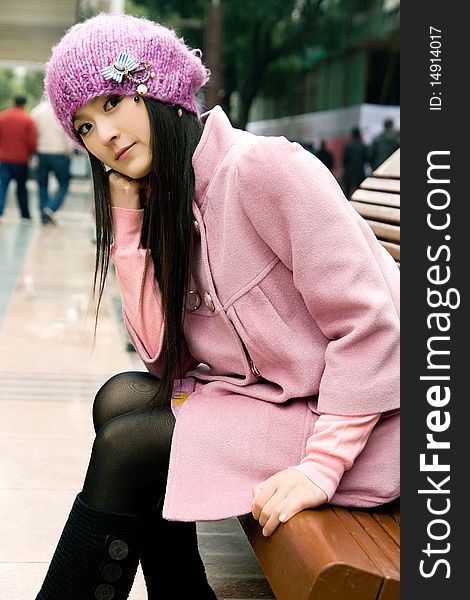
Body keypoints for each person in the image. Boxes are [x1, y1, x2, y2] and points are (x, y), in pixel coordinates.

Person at [37, 13, 400, 600]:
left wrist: (320, 468)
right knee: (120, 398)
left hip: (377, 423)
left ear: (160, 89)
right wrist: (128, 227)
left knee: (129, 449)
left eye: (111, 101)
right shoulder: (175, 200)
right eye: (83, 125)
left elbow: (374, 325)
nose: (102, 134)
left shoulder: (262, 170)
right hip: (284, 402)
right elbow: (160, 358)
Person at [31, 98, 74, 224]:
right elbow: (68, 133)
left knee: (42, 184)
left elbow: (32, 133)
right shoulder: (61, 110)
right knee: (64, 183)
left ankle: (43, 211)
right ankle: (51, 207)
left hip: (42, 151)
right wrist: (69, 151)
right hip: (59, 152)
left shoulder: (36, 111)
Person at [0, 95, 37, 221]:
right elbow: (32, 142)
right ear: (24, 104)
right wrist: (30, 153)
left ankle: (0, 208)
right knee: (21, 188)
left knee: (3, 185)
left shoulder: (3, 117)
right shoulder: (28, 119)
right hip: (21, 160)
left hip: (4, 159)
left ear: (13, 102)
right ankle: (25, 215)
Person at [340, 126, 368, 199]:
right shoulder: (362, 146)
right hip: (360, 171)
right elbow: (365, 159)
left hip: (349, 171)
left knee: (347, 191)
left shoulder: (348, 146)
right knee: (360, 190)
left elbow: (345, 159)